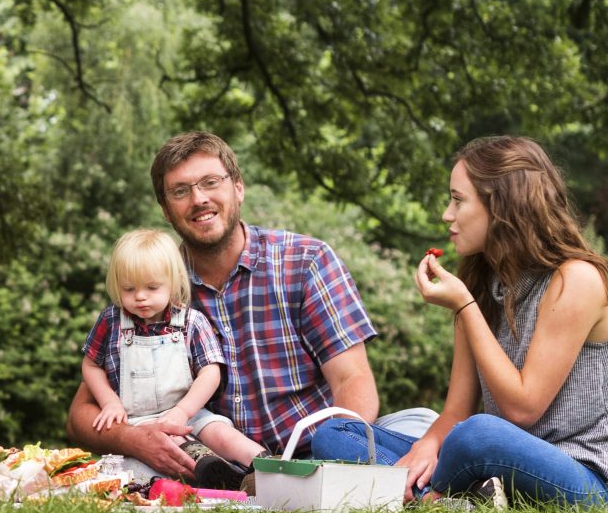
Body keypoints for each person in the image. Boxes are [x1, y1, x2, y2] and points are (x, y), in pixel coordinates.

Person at [68, 132, 421, 476]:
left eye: (210, 182)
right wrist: (134, 439)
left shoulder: (306, 261)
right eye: (180, 191)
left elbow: (352, 380)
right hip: (215, 463)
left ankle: (408, 476)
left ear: (238, 187)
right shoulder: (153, 287)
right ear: (165, 209)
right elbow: (81, 414)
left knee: (422, 424)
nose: (198, 199)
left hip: (315, 452)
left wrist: (335, 467)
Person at [318, 135, 608, 506]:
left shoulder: (577, 280)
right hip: (500, 466)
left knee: (477, 435)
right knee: (335, 432)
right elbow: (455, 410)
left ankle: (425, 494)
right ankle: (456, 497)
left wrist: (465, 308)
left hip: (586, 479)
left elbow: (522, 409)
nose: (447, 214)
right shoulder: (482, 283)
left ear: (503, 206)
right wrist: (426, 446)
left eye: (458, 200)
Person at [79, 228, 264, 477]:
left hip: (188, 411)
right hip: (140, 421)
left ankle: (265, 463)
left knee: (220, 432)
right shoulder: (111, 321)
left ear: (173, 281)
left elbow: (211, 372)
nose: (140, 297)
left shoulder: (191, 321)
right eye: (129, 289)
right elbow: (91, 365)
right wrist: (109, 402)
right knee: (169, 446)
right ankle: (218, 476)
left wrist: (182, 412)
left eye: (152, 287)